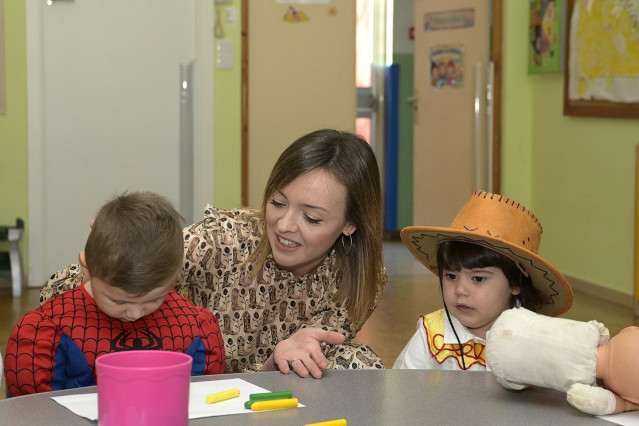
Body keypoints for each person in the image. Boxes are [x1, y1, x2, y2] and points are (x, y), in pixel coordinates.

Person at [40, 129, 387, 379]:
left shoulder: (358, 281)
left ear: (350, 225)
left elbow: (302, 364)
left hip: (270, 392)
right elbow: (50, 299)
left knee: (355, 361)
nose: (283, 225)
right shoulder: (223, 238)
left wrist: (281, 360)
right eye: (277, 202)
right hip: (191, 385)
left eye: (311, 218)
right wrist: (95, 273)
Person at [5, 192, 225, 396]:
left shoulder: (196, 330)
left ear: (175, 276)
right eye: (119, 300)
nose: (135, 313)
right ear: (86, 266)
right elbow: (33, 412)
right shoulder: (43, 337)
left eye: (155, 299)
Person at [393, 190, 573, 370]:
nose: (460, 290)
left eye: (478, 278)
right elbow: (400, 390)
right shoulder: (431, 335)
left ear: (515, 283)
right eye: (451, 276)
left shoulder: (534, 337)